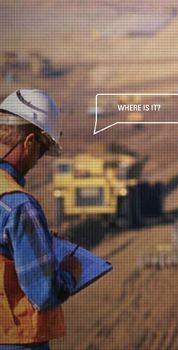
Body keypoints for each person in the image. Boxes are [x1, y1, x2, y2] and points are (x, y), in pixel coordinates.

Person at [0, 90, 82, 350]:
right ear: (30, 142)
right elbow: (44, 293)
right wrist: (70, 272)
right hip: (15, 341)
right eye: (43, 150)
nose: (38, 160)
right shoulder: (20, 206)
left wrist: (37, 241)